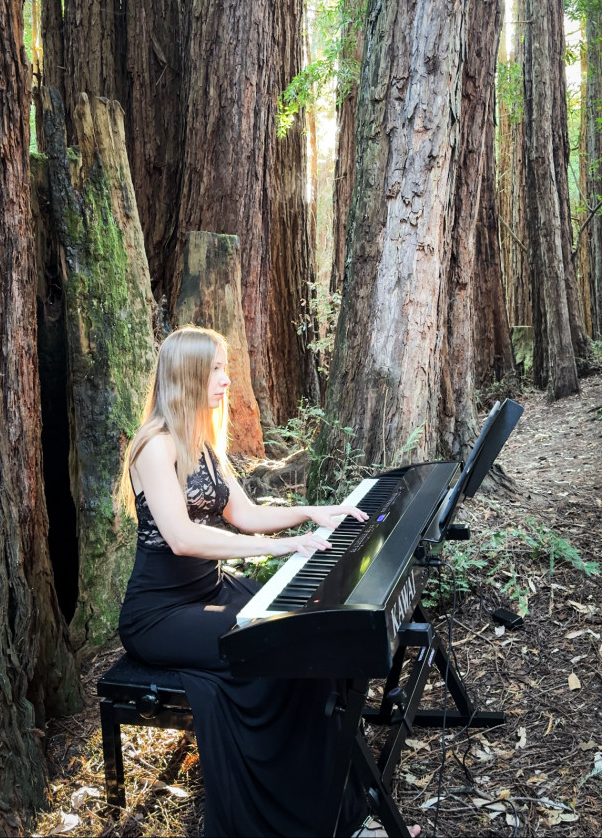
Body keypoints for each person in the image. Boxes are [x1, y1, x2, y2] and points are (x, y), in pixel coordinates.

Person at [118, 325, 420, 838]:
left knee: (313, 644)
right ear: (186, 375)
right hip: (160, 613)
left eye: (223, 368)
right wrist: (279, 548)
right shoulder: (156, 446)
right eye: (214, 369)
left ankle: (343, 813)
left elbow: (249, 514)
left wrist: (315, 514)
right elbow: (182, 538)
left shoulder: (203, 445)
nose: (224, 380)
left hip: (210, 590)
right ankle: (308, 818)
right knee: (281, 656)